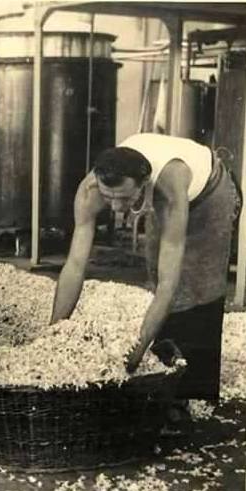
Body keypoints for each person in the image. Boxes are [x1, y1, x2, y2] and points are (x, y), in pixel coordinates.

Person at [51, 133, 241, 403]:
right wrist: (54, 334)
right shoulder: (89, 190)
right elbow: (75, 264)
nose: (116, 208)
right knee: (155, 268)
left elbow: (168, 286)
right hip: (161, 191)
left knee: (195, 285)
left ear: (143, 185)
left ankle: (194, 394)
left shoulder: (169, 188)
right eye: (109, 197)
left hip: (210, 193)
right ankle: (165, 364)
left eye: (124, 199)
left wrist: (131, 360)